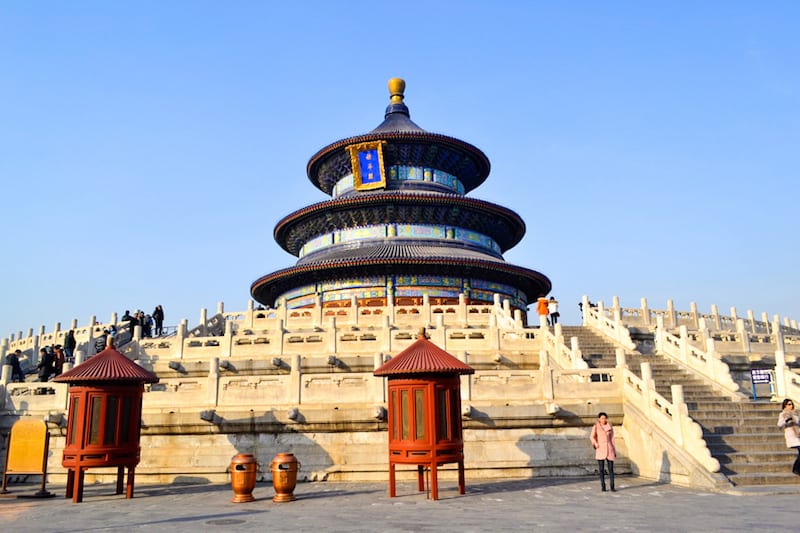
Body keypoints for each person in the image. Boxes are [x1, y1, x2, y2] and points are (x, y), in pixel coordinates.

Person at [590, 411, 617, 491]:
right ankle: (603, 486)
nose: (603, 420)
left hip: (609, 449)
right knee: (601, 469)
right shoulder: (596, 426)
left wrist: (614, 450)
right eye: (602, 418)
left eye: (605, 418)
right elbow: (592, 436)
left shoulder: (609, 426)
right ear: (599, 419)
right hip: (600, 449)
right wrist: (595, 443)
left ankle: (612, 486)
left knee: (611, 469)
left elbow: (612, 439)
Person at [777, 398, 800, 475]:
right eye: (789, 404)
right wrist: (786, 420)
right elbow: (779, 425)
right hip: (791, 435)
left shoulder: (795, 413)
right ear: (785, 405)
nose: (791, 406)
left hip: (798, 434)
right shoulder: (783, 414)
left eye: (792, 404)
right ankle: (796, 468)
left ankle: (796, 468)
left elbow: (798, 422)